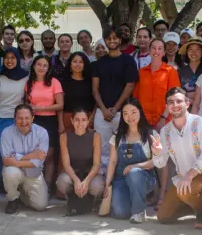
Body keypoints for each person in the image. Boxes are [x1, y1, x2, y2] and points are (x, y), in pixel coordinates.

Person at [152, 88, 202, 229]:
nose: (175, 105)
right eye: (171, 102)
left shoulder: (200, 122)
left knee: (187, 190)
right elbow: (160, 163)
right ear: (167, 107)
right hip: (183, 179)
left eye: (179, 101)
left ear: (187, 104)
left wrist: (190, 175)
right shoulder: (165, 131)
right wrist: (157, 153)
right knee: (163, 217)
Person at [92, 26, 139, 173]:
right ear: (105, 40)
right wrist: (104, 110)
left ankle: (121, 178)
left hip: (123, 112)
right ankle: (103, 182)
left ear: (119, 39)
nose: (112, 41)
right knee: (103, 147)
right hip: (102, 113)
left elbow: (130, 85)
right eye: (109, 38)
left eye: (115, 38)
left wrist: (116, 108)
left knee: (123, 146)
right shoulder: (98, 63)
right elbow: (95, 89)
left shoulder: (128, 61)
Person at [104, 98, 158, 222]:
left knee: (134, 174)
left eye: (133, 112)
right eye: (125, 113)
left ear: (140, 112)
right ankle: (132, 202)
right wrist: (107, 184)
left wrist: (134, 166)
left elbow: (155, 162)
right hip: (121, 178)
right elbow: (112, 162)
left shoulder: (150, 134)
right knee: (120, 213)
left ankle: (139, 212)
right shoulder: (117, 136)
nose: (130, 116)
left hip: (144, 178)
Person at [0, 48, 28, 196]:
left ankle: (13, 184)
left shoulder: (26, 77)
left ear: (18, 59)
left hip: (18, 119)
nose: (10, 61)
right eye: (7, 58)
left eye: (13, 57)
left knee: (16, 153)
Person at [25, 55, 64, 190]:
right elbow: (26, 103)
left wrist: (41, 108)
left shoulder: (54, 82)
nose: (41, 68)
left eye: (45, 65)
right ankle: (34, 187)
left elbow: (60, 105)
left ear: (48, 68)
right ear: (34, 66)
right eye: (39, 64)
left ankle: (46, 187)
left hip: (50, 121)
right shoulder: (28, 83)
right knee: (34, 154)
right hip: (34, 122)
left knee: (49, 155)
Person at [1, 104, 49, 214]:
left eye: (27, 118)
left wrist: (17, 159)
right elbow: (7, 160)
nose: (23, 122)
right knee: (9, 172)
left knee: (40, 206)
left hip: (34, 174)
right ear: (14, 119)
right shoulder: (6, 133)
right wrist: (32, 155)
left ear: (33, 118)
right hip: (15, 171)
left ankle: (22, 194)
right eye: (20, 118)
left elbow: (38, 162)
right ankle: (13, 199)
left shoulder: (42, 133)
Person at [56, 108, 104, 203]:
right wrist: (76, 180)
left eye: (83, 120)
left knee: (97, 186)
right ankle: (73, 200)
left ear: (88, 121)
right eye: (77, 119)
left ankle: (90, 202)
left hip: (90, 173)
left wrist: (86, 181)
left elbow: (96, 165)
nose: (80, 123)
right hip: (72, 173)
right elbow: (66, 164)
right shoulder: (64, 137)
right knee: (62, 182)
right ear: (72, 121)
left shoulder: (95, 136)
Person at [133, 38, 180, 130]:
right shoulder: (142, 72)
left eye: (160, 48)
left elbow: (174, 97)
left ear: (164, 52)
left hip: (164, 121)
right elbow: (136, 97)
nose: (156, 51)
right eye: (153, 48)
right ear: (149, 51)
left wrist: (163, 118)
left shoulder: (170, 71)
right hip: (143, 121)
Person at [62, 52, 95, 132]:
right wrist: (60, 122)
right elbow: (60, 105)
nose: (77, 64)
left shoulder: (91, 82)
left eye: (81, 62)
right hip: (68, 119)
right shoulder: (63, 82)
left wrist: (92, 117)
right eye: (75, 61)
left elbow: (96, 102)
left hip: (88, 119)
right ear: (70, 64)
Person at [178, 37, 202, 101]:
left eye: (197, 49)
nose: (194, 52)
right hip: (185, 109)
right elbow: (177, 93)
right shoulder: (180, 71)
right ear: (187, 52)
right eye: (190, 49)